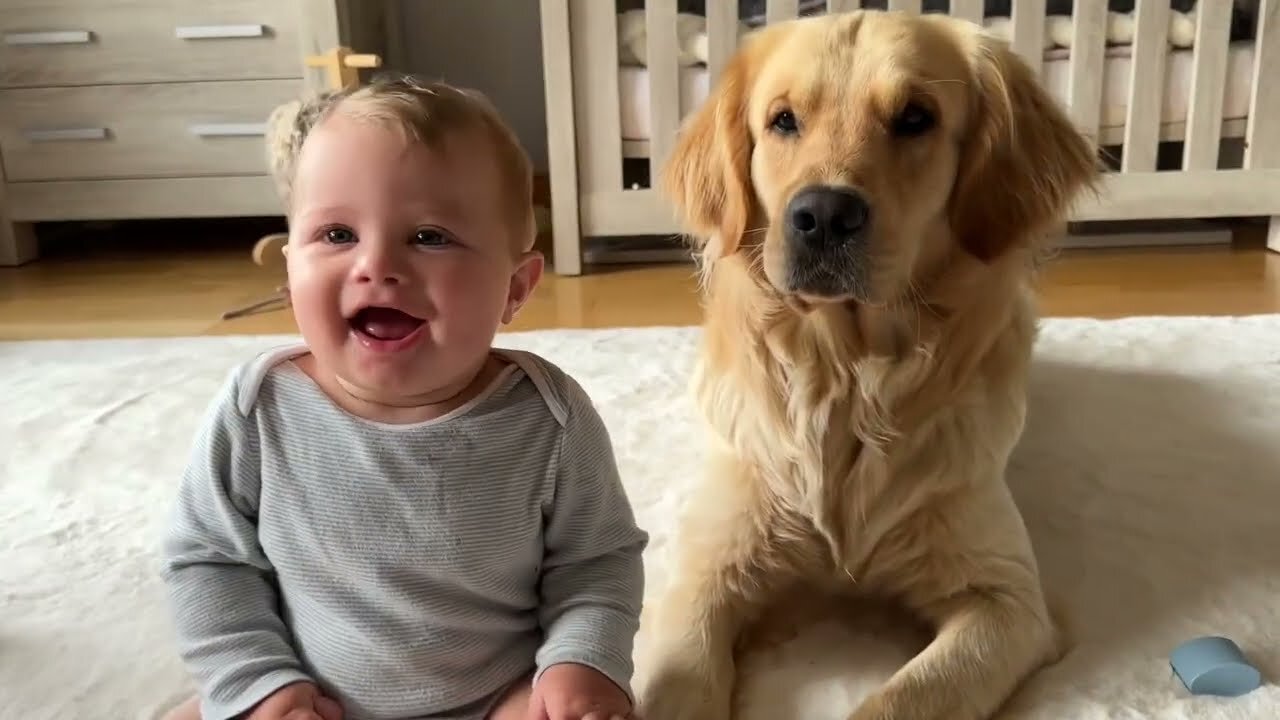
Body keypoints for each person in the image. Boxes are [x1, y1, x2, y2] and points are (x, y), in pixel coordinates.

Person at [158, 76, 648, 720]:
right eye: (337, 235)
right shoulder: (259, 409)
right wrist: (258, 684)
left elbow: (596, 562)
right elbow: (207, 561)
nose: (377, 265)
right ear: (289, 268)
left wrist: (580, 659)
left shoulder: (548, 417)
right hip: (312, 693)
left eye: (429, 237)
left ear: (515, 287)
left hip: (495, 693)